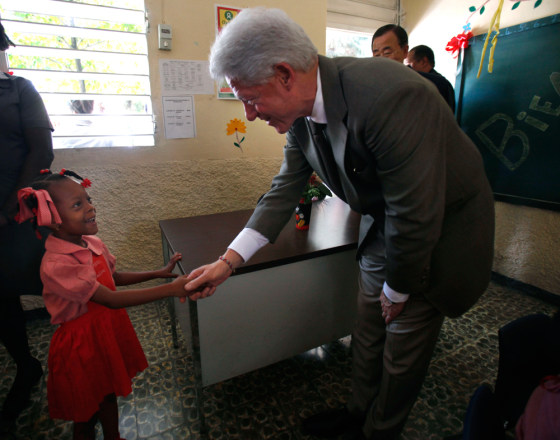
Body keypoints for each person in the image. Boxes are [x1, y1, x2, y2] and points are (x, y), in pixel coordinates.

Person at [185, 7, 495, 440]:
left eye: (251, 98)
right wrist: (228, 262)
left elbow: (416, 211)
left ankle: (379, 431)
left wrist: (398, 287)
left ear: (284, 74)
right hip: (387, 228)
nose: (249, 114)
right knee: (367, 330)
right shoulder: (301, 115)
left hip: (437, 237)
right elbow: (284, 189)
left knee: (400, 350)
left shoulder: (391, 95)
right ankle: (356, 415)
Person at [15, 169, 192, 440]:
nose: (90, 207)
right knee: (86, 413)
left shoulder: (91, 242)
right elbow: (108, 299)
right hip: (82, 344)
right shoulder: (57, 263)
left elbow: (113, 279)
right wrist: (170, 289)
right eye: (78, 205)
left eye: (87, 199)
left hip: (105, 333)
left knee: (107, 395)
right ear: (53, 220)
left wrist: (158, 272)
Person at [0, 18, 54, 428]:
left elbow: (41, 151)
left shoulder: (19, 90)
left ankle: (80, 358)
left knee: (36, 278)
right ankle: (25, 365)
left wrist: (8, 208)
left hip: (15, 212)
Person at [372, 24, 456, 112]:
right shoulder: (372, 87)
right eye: (376, 55)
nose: (381, 59)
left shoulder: (436, 85)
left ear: (404, 51)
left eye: (387, 52)